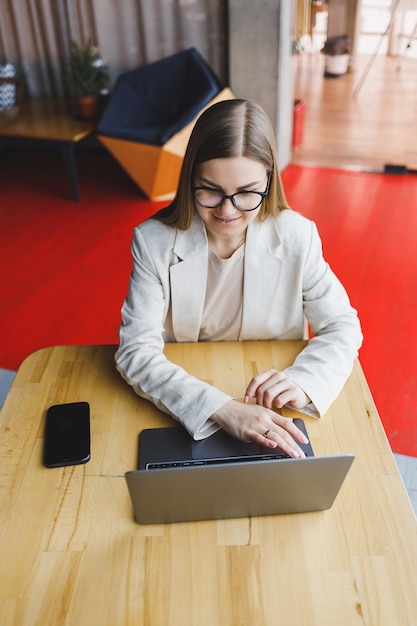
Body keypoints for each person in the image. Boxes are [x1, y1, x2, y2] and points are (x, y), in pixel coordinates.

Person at [115, 98, 362, 459]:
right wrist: (221, 408)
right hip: (187, 397)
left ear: (268, 180)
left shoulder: (297, 236)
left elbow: (343, 324)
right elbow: (135, 350)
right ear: (190, 179)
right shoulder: (153, 242)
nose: (227, 210)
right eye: (211, 190)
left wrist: (303, 380)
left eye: (246, 192)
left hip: (276, 407)